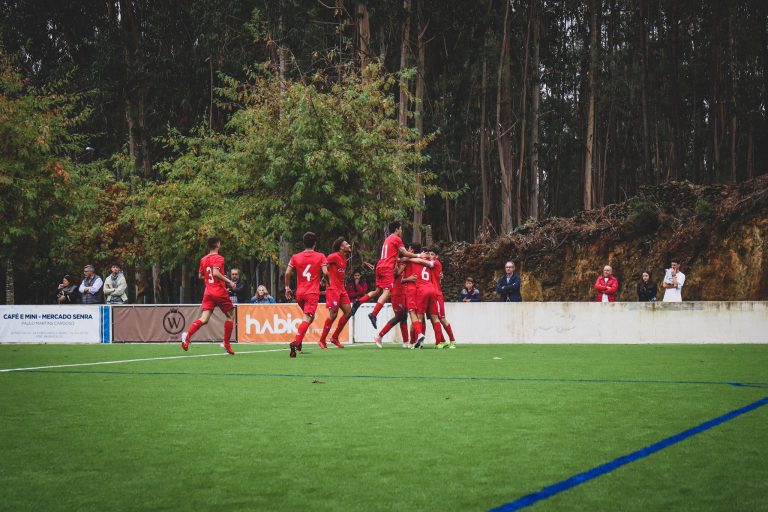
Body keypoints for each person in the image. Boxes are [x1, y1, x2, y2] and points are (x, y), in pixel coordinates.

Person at [350, 220, 421, 329]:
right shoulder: (397, 239)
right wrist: (419, 255)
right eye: (401, 229)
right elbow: (405, 252)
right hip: (387, 268)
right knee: (387, 292)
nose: (401, 231)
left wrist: (397, 262)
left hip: (380, 266)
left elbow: (394, 255)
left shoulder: (387, 239)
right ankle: (374, 314)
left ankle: (358, 302)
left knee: (377, 291)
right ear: (397, 229)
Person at [181, 236, 237, 355]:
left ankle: (187, 336)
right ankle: (226, 343)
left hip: (208, 292)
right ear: (218, 245)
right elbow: (215, 273)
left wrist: (220, 277)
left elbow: (201, 275)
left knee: (204, 319)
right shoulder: (219, 258)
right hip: (219, 291)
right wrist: (229, 281)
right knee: (231, 315)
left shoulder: (203, 259)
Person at [284, 232, 328, 358]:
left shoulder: (295, 257)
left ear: (304, 243)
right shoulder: (320, 256)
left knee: (309, 318)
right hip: (311, 294)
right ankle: (296, 343)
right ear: (315, 244)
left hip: (300, 294)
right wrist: (327, 281)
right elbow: (325, 272)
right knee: (307, 319)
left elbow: (287, 273)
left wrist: (287, 288)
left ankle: (299, 341)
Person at [318, 236, 353, 349]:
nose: (349, 245)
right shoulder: (333, 256)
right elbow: (324, 266)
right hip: (333, 289)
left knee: (348, 312)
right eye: (346, 244)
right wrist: (325, 279)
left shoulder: (344, 258)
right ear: (341, 247)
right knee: (333, 314)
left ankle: (334, 337)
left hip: (342, 289)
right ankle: (322, 340)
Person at [373, 260, 410, 348]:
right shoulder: (393, 262)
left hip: (404, 293)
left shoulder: (405, 261)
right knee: (398, 317)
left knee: (404, 317)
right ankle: (379, 336)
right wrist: (401, 268)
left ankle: (406, 342)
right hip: (396, 293)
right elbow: (394, 275)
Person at [427, 247, 456, 348]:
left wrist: (411, 257)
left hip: (437, 295)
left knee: (442, 319)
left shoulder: (436, 263)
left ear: (437, 256)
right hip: (431, 295)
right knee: (433, 319)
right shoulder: (430, 265)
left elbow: (423, 262)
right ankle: (442, 341)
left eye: (432, 254)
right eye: (429, 254)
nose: (430, 256)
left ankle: (452, 340)